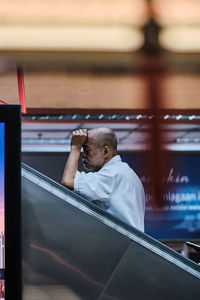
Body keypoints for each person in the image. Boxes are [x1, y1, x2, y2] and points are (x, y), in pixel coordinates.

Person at [61, 127, 145, 231]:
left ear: (105, 151)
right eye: (82, 150)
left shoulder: (112, 174)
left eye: (87, 149)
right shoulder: (125, 172)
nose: (83, 154)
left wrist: (75, 147)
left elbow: (68, 180)